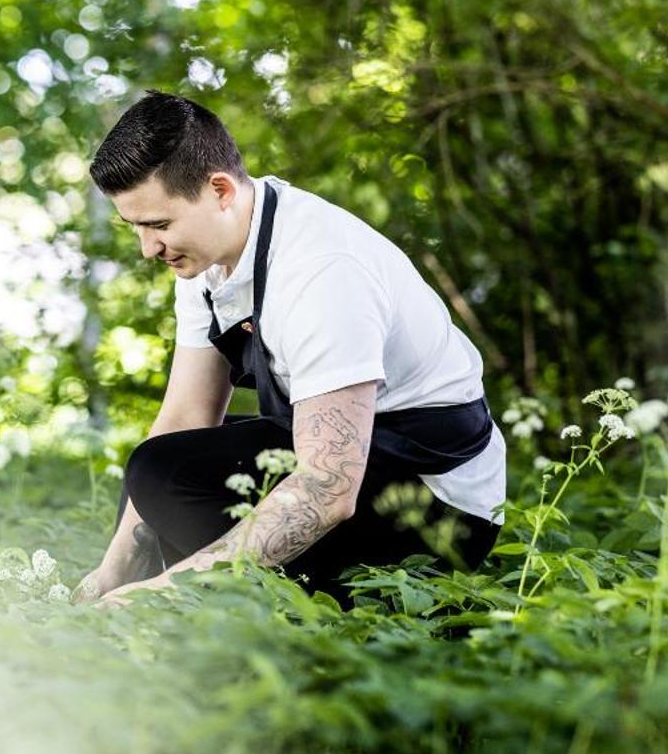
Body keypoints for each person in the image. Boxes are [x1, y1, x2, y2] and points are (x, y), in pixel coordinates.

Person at [74, 91, 505, 606]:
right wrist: (112, 573)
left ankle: (260, 618)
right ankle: (170, 611)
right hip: (362, 461)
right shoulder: (205, 257)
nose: (148, 248)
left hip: (439, 510)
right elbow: (186, 417)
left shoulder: (322, 270)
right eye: (136, 228)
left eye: (159, 225)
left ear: (220, 190)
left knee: (169, 478)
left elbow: (328, 487)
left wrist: (167, 592)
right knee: (161, 459)